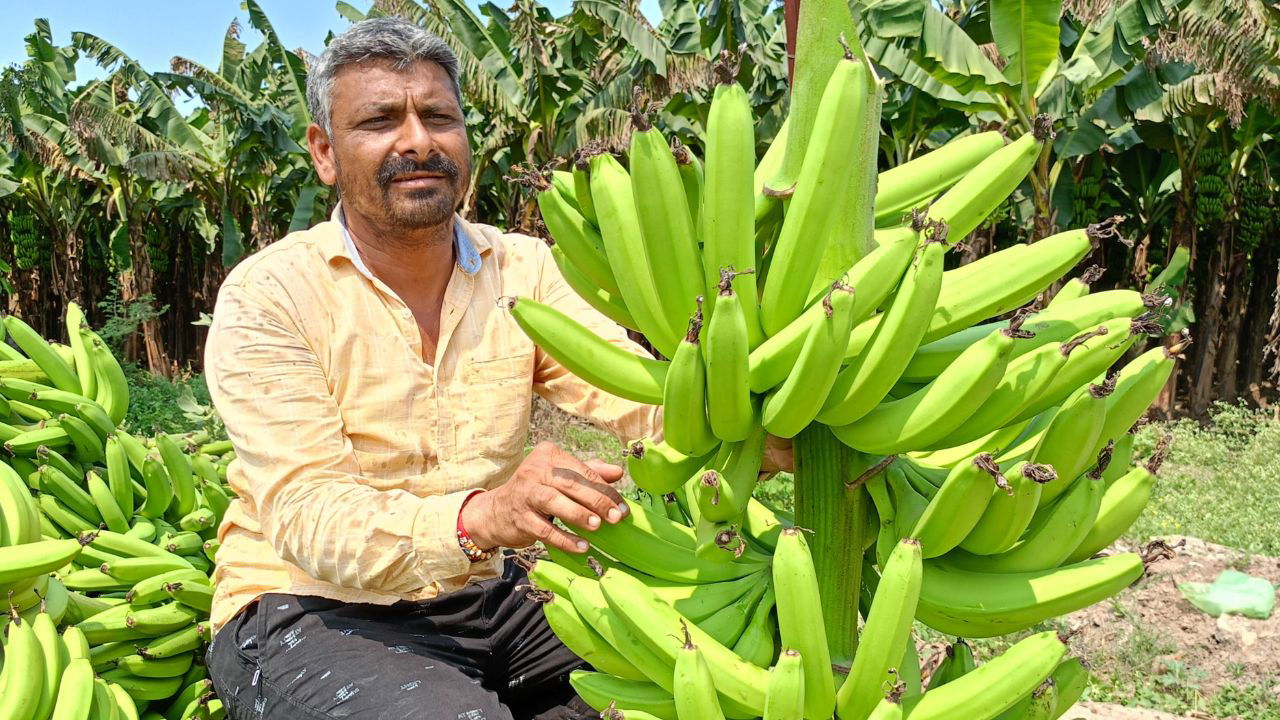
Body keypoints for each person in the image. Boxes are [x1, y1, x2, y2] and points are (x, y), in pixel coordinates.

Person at [201, 17, 660, 720]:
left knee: (675, 686)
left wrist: (759, 426)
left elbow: (635, 395)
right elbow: (307, 515)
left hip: (487, 596)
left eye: (439, 117)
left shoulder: (523, 269)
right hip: (310, 605)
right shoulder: (273, 293)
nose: (418, 141)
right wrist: (483, 516)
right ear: (325, 152)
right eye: (381, 120)